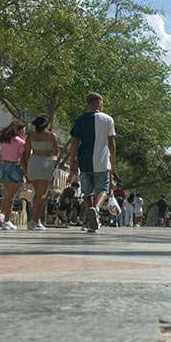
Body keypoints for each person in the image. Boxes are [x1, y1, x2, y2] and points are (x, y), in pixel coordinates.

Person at [66, 92, 116, 235]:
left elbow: (74, 143)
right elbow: (112, 143)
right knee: (103, 189)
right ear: (99, 103)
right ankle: (97, 209)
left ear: (88, 103)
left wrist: (72, 162)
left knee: (87, 192)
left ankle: (91, 218)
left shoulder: (80, 120)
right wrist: (113, 164)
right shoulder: (108, 119)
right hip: (102, 161)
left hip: (84, 161)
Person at [21, 115, 57, 231]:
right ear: (47, 125)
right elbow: (55, 152)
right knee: (42, 195)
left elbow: (26, 153)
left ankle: (36, 220)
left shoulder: (31, 136)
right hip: (45, 162)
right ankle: (34, 220)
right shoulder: (51, 136)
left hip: (33, 161)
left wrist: (26, 168)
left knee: (37, 194)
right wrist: (53, 162)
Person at [0, 120, 26, 230]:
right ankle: (6, 220)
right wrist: (26, 172)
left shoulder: (4, 141)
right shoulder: (21, 143)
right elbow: (22, 160)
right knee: (11, 197)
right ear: (19, 130)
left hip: (3, 167)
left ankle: (2, 216)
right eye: (24, 130)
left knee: (7, 195)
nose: (24, 132)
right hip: (14, 167)